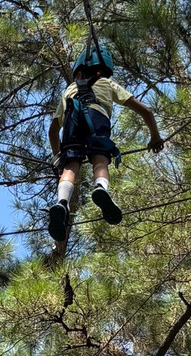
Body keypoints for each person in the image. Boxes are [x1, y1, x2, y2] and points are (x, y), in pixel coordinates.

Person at [47, 44, 163, 241]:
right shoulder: (107, 84)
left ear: (78, 72)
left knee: (71, 165)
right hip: (97, 118)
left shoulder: (69, 89)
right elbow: (146, 111)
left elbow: (52, 130)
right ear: (102, 71)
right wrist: (154, 136)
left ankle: (62, 202)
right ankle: (100, 187)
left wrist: (58, 156)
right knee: (100, 160)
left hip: (71, 121)